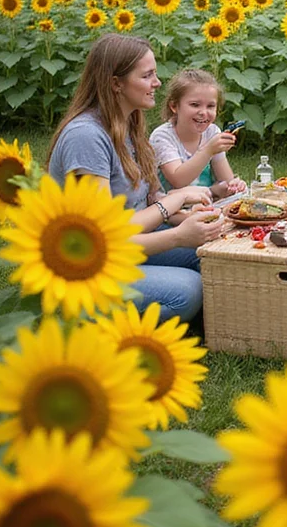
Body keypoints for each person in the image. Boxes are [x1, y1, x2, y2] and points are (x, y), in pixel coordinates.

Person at [47, 35, 224, 322]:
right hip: (89, 268)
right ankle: (92, 320)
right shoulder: (86, 137)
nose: (157, 82)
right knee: (188, 290)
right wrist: (177, 226)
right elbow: (105, 239)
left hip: (130, 244)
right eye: (147, 75)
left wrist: (189, 215)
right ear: (116, 83)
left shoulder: (128, 123)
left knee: (212, 255)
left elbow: (150, 199)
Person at [150, 68, 247, 200]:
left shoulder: (212, 132)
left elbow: (226, 180)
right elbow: (178, 180)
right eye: (195, 105)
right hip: (171, 210)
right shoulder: (162, 136)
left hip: (206, 204)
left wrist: (234, 185)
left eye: (210, 106)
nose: (203, 112)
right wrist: (208, 151)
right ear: (174, 106)